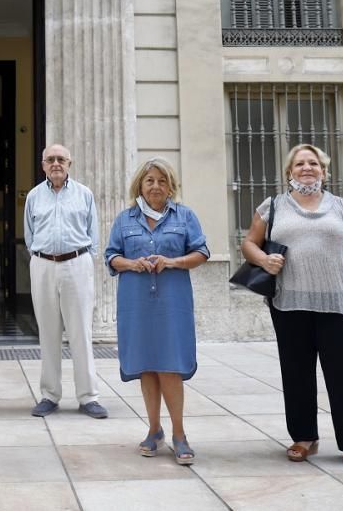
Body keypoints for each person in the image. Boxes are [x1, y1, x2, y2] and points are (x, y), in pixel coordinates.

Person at [241, 143, 343, 469]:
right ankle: (303, 438)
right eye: (300, 164)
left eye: (314, 163)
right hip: (289, 303)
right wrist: (262, 258)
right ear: (289, 171)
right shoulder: (272, 206)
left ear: (324, 171)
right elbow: (248, 243)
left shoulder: (340, 207)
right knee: (297, 374)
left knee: (342, 376)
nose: (307, 168)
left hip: (336, 304)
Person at [105, 158, 209, 465]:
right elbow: (111, 256)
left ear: (170, 186)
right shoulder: (125, 220)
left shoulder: (184, 216)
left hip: (172, 302)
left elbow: (202, 251)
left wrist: (173, 261)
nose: (155, 186)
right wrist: (131, 264)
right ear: (139, 185)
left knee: (170, 365)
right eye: (149, 181)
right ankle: (153, 430)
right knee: (146, 366)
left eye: (162, 181)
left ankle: (179, 434)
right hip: (136, 302)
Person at [23, 144, 107, 419]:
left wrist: (82, 259)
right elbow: (29, 233)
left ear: (69, 163)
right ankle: (49, 395)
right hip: (43, 264)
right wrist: (40, 257)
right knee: (48, 332)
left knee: (80, 330)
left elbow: (93, 234)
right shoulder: (34, 196)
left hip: (76, 263)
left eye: (61, 159)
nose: (55, 163)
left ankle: (88, 397)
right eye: (50, 159)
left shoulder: (84, 194)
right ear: (43, 165)